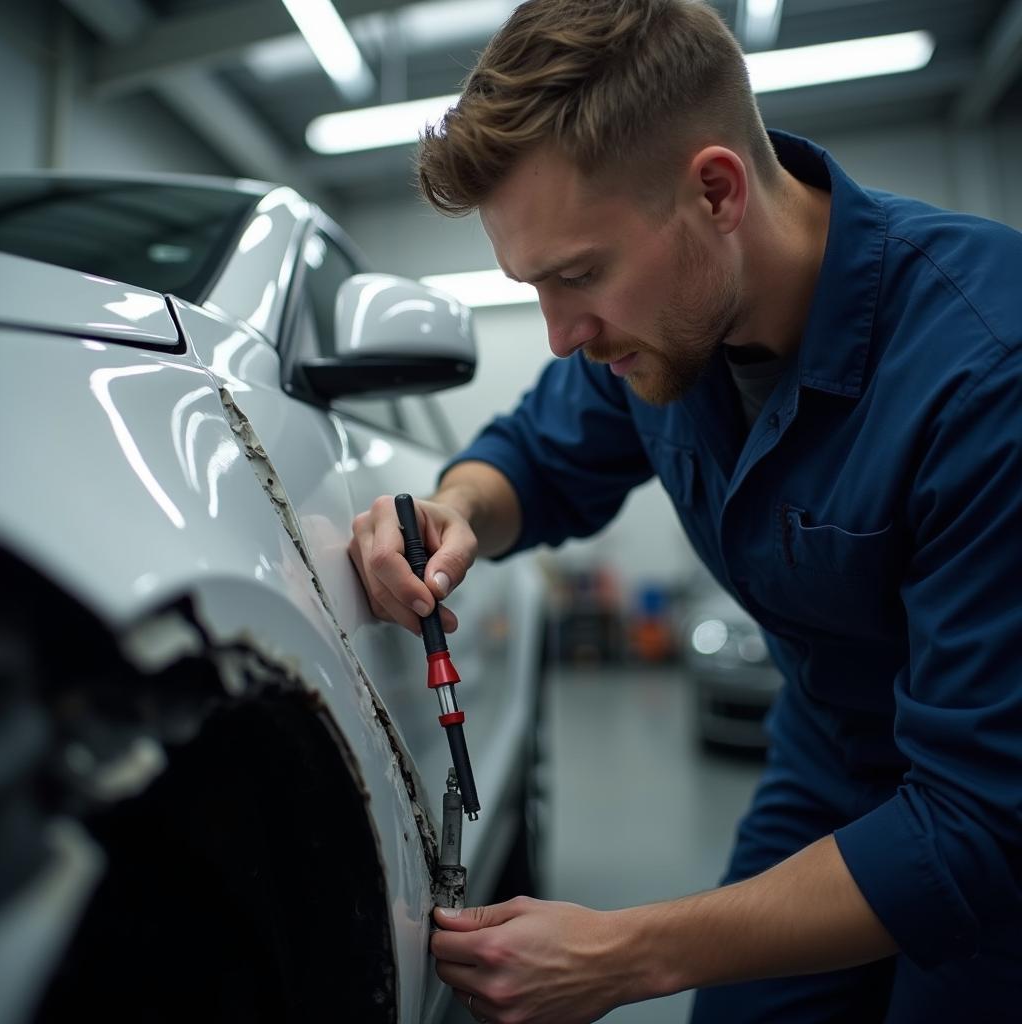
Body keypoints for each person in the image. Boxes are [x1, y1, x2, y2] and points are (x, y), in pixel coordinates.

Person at [347, 1, 1022, 1020]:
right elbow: (532, 454)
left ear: (715, 192)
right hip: (831, 758)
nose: (563, 333)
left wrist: (626, 951)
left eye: (578, 275)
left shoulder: (985, 372)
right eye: (533, 286)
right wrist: (457, 511)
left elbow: (977, 822)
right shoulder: (664, 329)